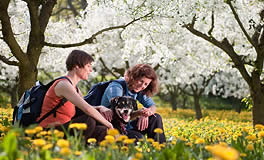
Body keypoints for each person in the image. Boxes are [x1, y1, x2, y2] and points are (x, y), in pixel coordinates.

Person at [37, 50, 113, 142]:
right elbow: (87, 109)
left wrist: (99, 107)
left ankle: (89, 153)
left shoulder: (75, 89)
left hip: (64, 129)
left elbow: (84, 107)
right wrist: (109, 124)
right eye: (88, 66)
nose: (91, 70)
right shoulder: (63, 85)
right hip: (48, 132)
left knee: (102, 131)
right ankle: (75, 152)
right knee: (88, 121)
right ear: (77, 66)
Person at [99, 64, 166, 143]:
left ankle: (160, 147)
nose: (142, 85)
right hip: (113, 127)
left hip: (127, 126)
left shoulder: (137, 89)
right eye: (141, 81)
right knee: (137, 138)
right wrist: (140, 113)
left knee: (155, 118)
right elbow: (119, 115)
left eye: (146, 84)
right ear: (133, 77)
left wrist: (146, 113)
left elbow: (152, 106)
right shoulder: (116, 87)